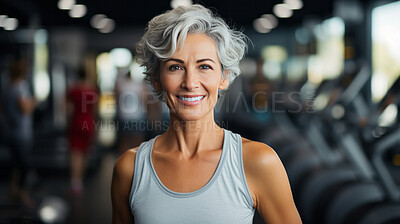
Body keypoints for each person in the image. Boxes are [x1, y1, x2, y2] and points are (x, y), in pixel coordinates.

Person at [111, 4, 302, 224]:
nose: (191, 83)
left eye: (205, 67)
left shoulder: (258, 162)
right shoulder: (129, 169)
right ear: (156, 80)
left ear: (224, 78)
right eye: (175, 67)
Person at [1, 58, 36, 207]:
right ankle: (24, 196)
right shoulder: (20, 87)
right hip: (21, 133)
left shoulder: (7, 87)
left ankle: (13, 190)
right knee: (24, 166)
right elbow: (26, 109)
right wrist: (34, 101)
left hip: (11, 131)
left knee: (16, 164)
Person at [67, 68, 97, 196]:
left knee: (75, 153)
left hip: (76, 121)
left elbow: (68, 109)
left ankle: (75, 182)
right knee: (84, 152)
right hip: (88, 122)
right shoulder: (92, 89)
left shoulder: (73, 89)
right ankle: (81, 181)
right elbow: (94, 110)